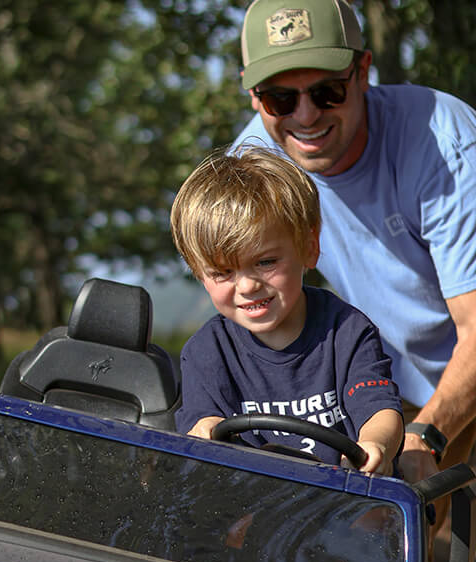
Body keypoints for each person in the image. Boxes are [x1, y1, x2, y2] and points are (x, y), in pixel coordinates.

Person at [234, 0, 476, 486]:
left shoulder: (444, 142)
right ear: (255, 96)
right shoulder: (255, 167)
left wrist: (424, 435)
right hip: (395, 385)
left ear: (363, 71)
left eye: (327, 92)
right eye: (280, 99)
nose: (305, 116)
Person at [170, 145, 403, 474]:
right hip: (255, 506)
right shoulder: (206, 352)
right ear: (199, 273)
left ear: (309, 249)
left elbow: (379, 409)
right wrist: (205, 430)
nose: (248, 286)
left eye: (265, 262)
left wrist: (375, 444)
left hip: (346, 503)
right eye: (223, 272)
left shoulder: (348, 331)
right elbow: (203, 421)